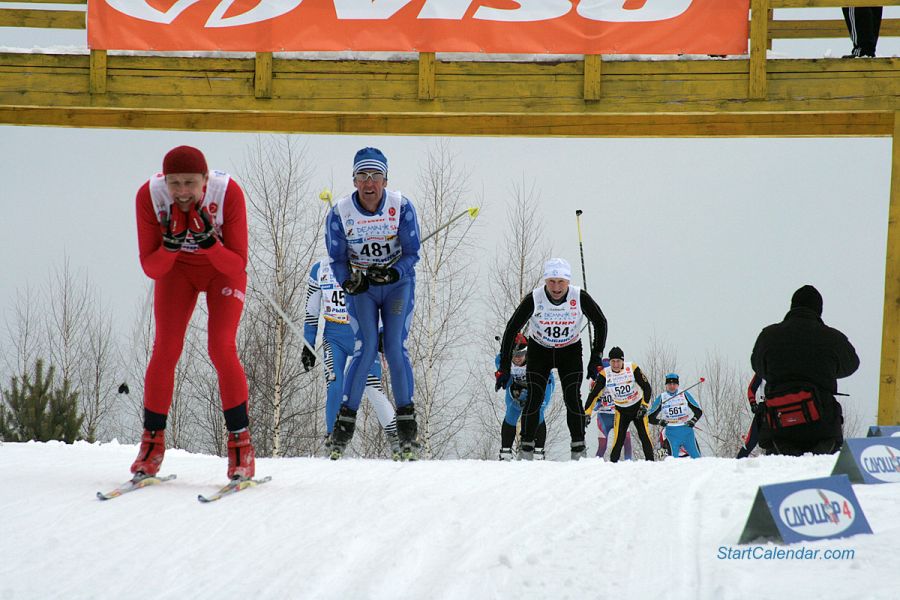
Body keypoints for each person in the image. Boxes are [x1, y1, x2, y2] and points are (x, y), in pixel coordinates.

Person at [131, 145, 256, 480]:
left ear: (205, 179)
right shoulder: (149, 195)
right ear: (165, 180)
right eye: (175, 184)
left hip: (221, 271)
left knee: (221, 346)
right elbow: (151, 267)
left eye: (190, 183)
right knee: (166, 348)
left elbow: (238, 262)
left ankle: (240, 447)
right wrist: (171, 246)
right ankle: (151, 444)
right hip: (177, 271)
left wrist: (210, 243)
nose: (183, 192)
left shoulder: (227, 192)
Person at [325, 147, 422, 460]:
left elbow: (412, 254)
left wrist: (394, 271)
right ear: (354, 181)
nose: (369, 183)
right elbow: (337, 260)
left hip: (396, 286)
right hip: (363, 287)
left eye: (375, 176)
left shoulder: (401, 206)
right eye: (362, 176)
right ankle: (343, 426)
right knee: (366, 346)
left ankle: (407, 426)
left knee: (394, 345)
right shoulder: (340, 212)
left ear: (385, 179)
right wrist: (349, 281)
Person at [496, 258, 608, 461]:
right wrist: (504, 367)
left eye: (561, 282)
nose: (556, 288)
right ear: (545, 281)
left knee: (572, 397)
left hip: (569, 350)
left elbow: (600, 322)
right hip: (540, 350)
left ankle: (578, 448)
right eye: (551, 282)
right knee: (534, 398)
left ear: (568, 281)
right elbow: (512, 328)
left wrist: (596, 358)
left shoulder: (578, 296)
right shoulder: (535, 298)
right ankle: (526, 449)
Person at [303, 258, 401, 458]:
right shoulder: (320, 270)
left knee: (373, 387)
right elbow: (311, 311)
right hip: (334, 337)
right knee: (335, 384)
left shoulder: (367, 265)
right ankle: (333, 440)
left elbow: (385, 302)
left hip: (363, 336)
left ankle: (398, 440)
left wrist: (383, 332)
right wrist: (308, 345)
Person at [750, 285, 859, 456]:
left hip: (778, 427)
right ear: (819, 310)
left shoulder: (768, 335)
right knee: (820, 478)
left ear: (792, 306)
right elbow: (852, 365)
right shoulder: (831, 337)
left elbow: (757, 366)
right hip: (822, 428)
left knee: (779, 475)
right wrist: (825, 369)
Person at [585, 347, 654, 462]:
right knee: (618, 441)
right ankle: (613, 467)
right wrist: (587, 413)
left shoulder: (632, 368)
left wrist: (644, 406)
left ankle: (651, 464)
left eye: (618, 361)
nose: (616, 365)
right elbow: (593, 395)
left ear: (623, 361)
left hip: (637, 408)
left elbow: (647, 387)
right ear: (610, 362)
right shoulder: (604, 374)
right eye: (613, 362)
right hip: (621, 411)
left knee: (644, 437)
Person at [495, 333, 556, 461]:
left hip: (541, 386)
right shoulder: (501, 360)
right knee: (512, 410)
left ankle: (538, 451)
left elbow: (544, 384)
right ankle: (505, 451)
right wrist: (509, 386)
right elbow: (509, 382)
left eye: (521, 355)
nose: (517, 358)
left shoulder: (536, 360)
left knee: (536, 411)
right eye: (514, 355)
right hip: (517, 388)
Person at [584, 357, 633, 461]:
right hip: (604, 417)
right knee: (602, 445)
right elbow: (593, 400)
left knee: (627, 441)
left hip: (619, 415)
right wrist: (598, 402)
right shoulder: (595, 381)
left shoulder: (620, 378)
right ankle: (596, 464)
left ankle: (629, 463)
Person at [648, 373, 702, 459]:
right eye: (669, 384)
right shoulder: (662, 397)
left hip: (686, 431)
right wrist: (660, 422)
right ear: (666, 385)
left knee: (697, 458)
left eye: (674, 384)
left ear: (678, 385)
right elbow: (650, 418)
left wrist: (693, 421)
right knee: (673, 460)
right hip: (671, 432)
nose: (672, 386)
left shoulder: (684, 394)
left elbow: (698, 411)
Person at [736, 373, 764, 459]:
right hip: (765, 406)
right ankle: (737, 463)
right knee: (752, 440)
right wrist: (753, 403)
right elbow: (751, 389)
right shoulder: (763, 368)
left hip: (784, 407)